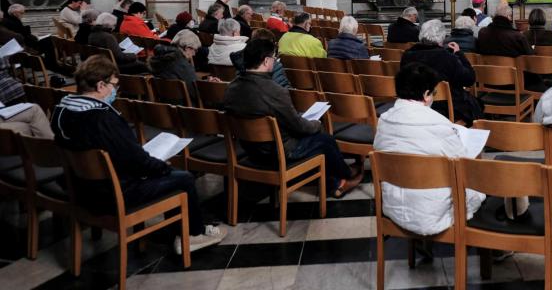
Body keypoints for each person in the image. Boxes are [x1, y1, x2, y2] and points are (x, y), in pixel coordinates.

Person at [51, 55, 225, 253]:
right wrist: (160, 165)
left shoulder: (61, 110)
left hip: (80, 187)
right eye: (114, 85)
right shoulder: (102, 117)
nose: (115, 90)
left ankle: (178, 229)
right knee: (183, 178)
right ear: (101, 85)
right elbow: (135, 160)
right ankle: (193, 234)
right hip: (115, 192)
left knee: (166, 173)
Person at [223, 38, 362, 197]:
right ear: (267, 61)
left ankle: (337, 179)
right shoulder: (274, 91)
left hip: (251, 149)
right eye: (273, 58)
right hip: (278, 152)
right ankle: (342, 177)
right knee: (325, 140)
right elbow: (298, 126)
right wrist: (315, 124)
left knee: (317, 137)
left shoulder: (231, 88)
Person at [373, 62, 486, 235]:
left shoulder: (383, 121)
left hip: (394, 206)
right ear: (426, 95)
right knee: (480, 178)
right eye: (433, 93)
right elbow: (463, 167)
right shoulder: (439, 125)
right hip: (432, 212)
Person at [401, 19, 482, 125]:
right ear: (442, 38)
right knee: (475, 105)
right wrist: (459, 54)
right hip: (446, 108)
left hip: (414, 105)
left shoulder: (407, 55)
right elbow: (469, 79)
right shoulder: (446, 57)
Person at [149, 30, 205, 103]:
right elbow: (196, 92)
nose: (194, 54)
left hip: (164, 105)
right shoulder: (182, 65)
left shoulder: (159, 59)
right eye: (195, 50)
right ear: (187, 48)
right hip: (186, 108)